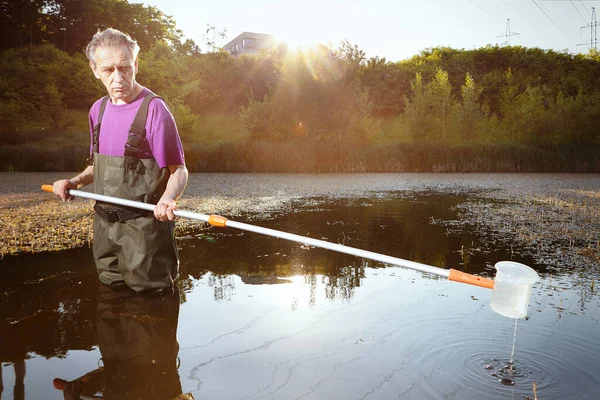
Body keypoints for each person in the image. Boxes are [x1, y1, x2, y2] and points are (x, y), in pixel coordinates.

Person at [51, 28, 188, 293]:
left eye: (125, 68)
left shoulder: (154, 110)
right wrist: (75, 181)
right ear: (94, 69)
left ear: (135, 64)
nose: (118, 78)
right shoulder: (97, 110)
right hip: (104, 229)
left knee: (151, 309)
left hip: (144, 233)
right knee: (109, 305)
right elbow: (97, 166)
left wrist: (168, 198)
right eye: (108, 70)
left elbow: (179, 170)